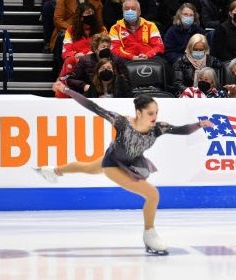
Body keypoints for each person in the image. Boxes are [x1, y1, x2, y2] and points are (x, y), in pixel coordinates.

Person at [36, 82, 215, 255]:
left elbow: (180, 130)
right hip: (112, 163)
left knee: (88, 167)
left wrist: (200, 125)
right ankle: (149, 234)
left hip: (129, 161)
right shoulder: (122, 122)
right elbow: (92, 106)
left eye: (156, 112)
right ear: (138, 112)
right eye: (150, 113)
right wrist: (67, 90)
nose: (155, 116)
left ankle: (52, 171)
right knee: (152, 194)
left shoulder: (158, 128)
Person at [57, 3, 108, 89]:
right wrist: (75, 55)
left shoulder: (101, 29)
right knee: (69, 60)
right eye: (88, 14)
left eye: (92, 13)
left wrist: (87, 55)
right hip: (76, 60)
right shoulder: (71, 30)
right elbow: (66, 50)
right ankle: (64, 91)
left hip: (95, 58)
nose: (91, 15)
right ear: (80, 17)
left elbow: (105, 47)